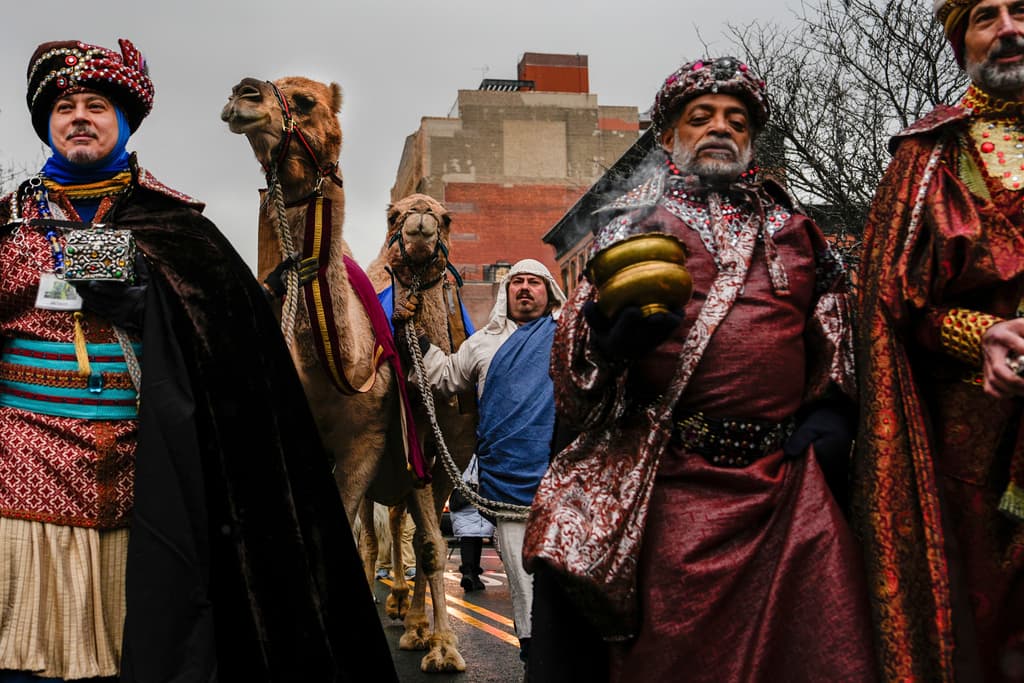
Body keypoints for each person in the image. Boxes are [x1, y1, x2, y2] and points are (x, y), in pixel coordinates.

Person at [0, 39, 396, 682]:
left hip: (144, 480)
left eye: (96, 105)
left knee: (141, 655)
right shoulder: (9, 226)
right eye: (64, 106)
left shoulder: (178, 227)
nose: (79, 117)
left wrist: (145, 296)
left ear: (121, 122)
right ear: (47, 124)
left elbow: (226, 344)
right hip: (20, 476)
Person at [522, 57, 878, 682]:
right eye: (702, 117)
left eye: (736, 120)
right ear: (668, 137)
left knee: (820, 649)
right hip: (670, 482)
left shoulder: (797, 230)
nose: (720, 128)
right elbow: (573, 362)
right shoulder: (627, 226)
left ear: (751, 137)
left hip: (786, 485)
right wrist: (611, 341)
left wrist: (832, 412)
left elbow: (837, 334)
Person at [853, 1, 1024, 678]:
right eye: (987, 16)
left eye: (1022, 10)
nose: (1009, 28)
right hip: (973, 447)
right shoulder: (929, 155)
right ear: (962, 44)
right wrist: (977, 333)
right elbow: (890, 308)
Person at [407, 258, 566, 673]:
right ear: (505, 293)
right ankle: (536, 657)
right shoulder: (481, 345)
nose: (525, 288)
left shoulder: (568, 335)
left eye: (534, 282)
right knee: (521, 572)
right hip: (508, 480)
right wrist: (419, 342)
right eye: (517, 283)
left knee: (569, 574)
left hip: (562, 477)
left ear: (549, 292)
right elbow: (444, 376)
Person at [449, 454, 495, 592]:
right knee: (477, 538)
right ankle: (473, 574)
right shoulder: (482, 454)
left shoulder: (458, 455)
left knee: (467, 538)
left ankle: (468, 572)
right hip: (478, 500)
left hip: (462, 501)